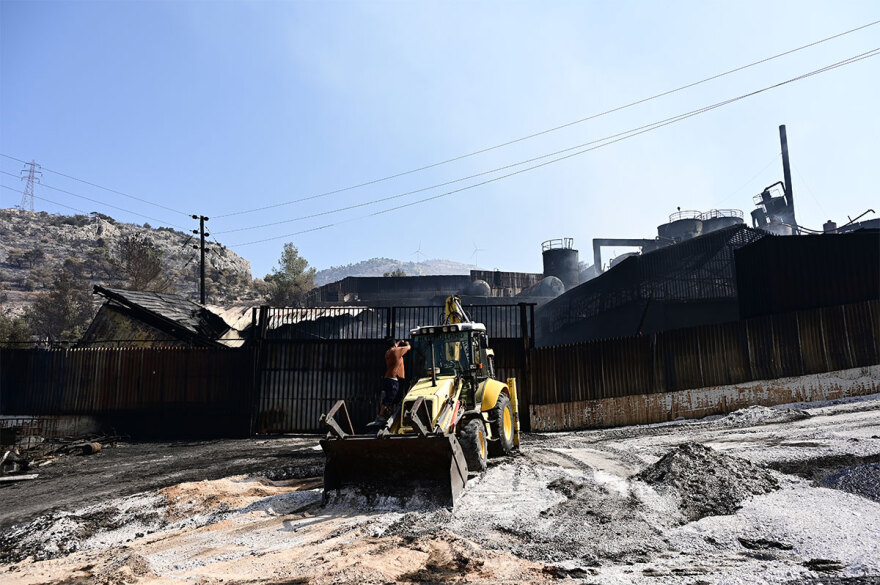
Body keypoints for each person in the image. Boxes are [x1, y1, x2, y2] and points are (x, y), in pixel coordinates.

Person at [374, 338, 410, 423]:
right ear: (394, 345)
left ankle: (387, 413)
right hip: (393, 379)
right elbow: (408, 347)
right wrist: (407, 343)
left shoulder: (388, 352)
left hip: (387, 378)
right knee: (390, 398)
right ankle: (381, 415)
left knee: (391, 398)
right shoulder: (396, 351)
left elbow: (395, 346)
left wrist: (399, 342)